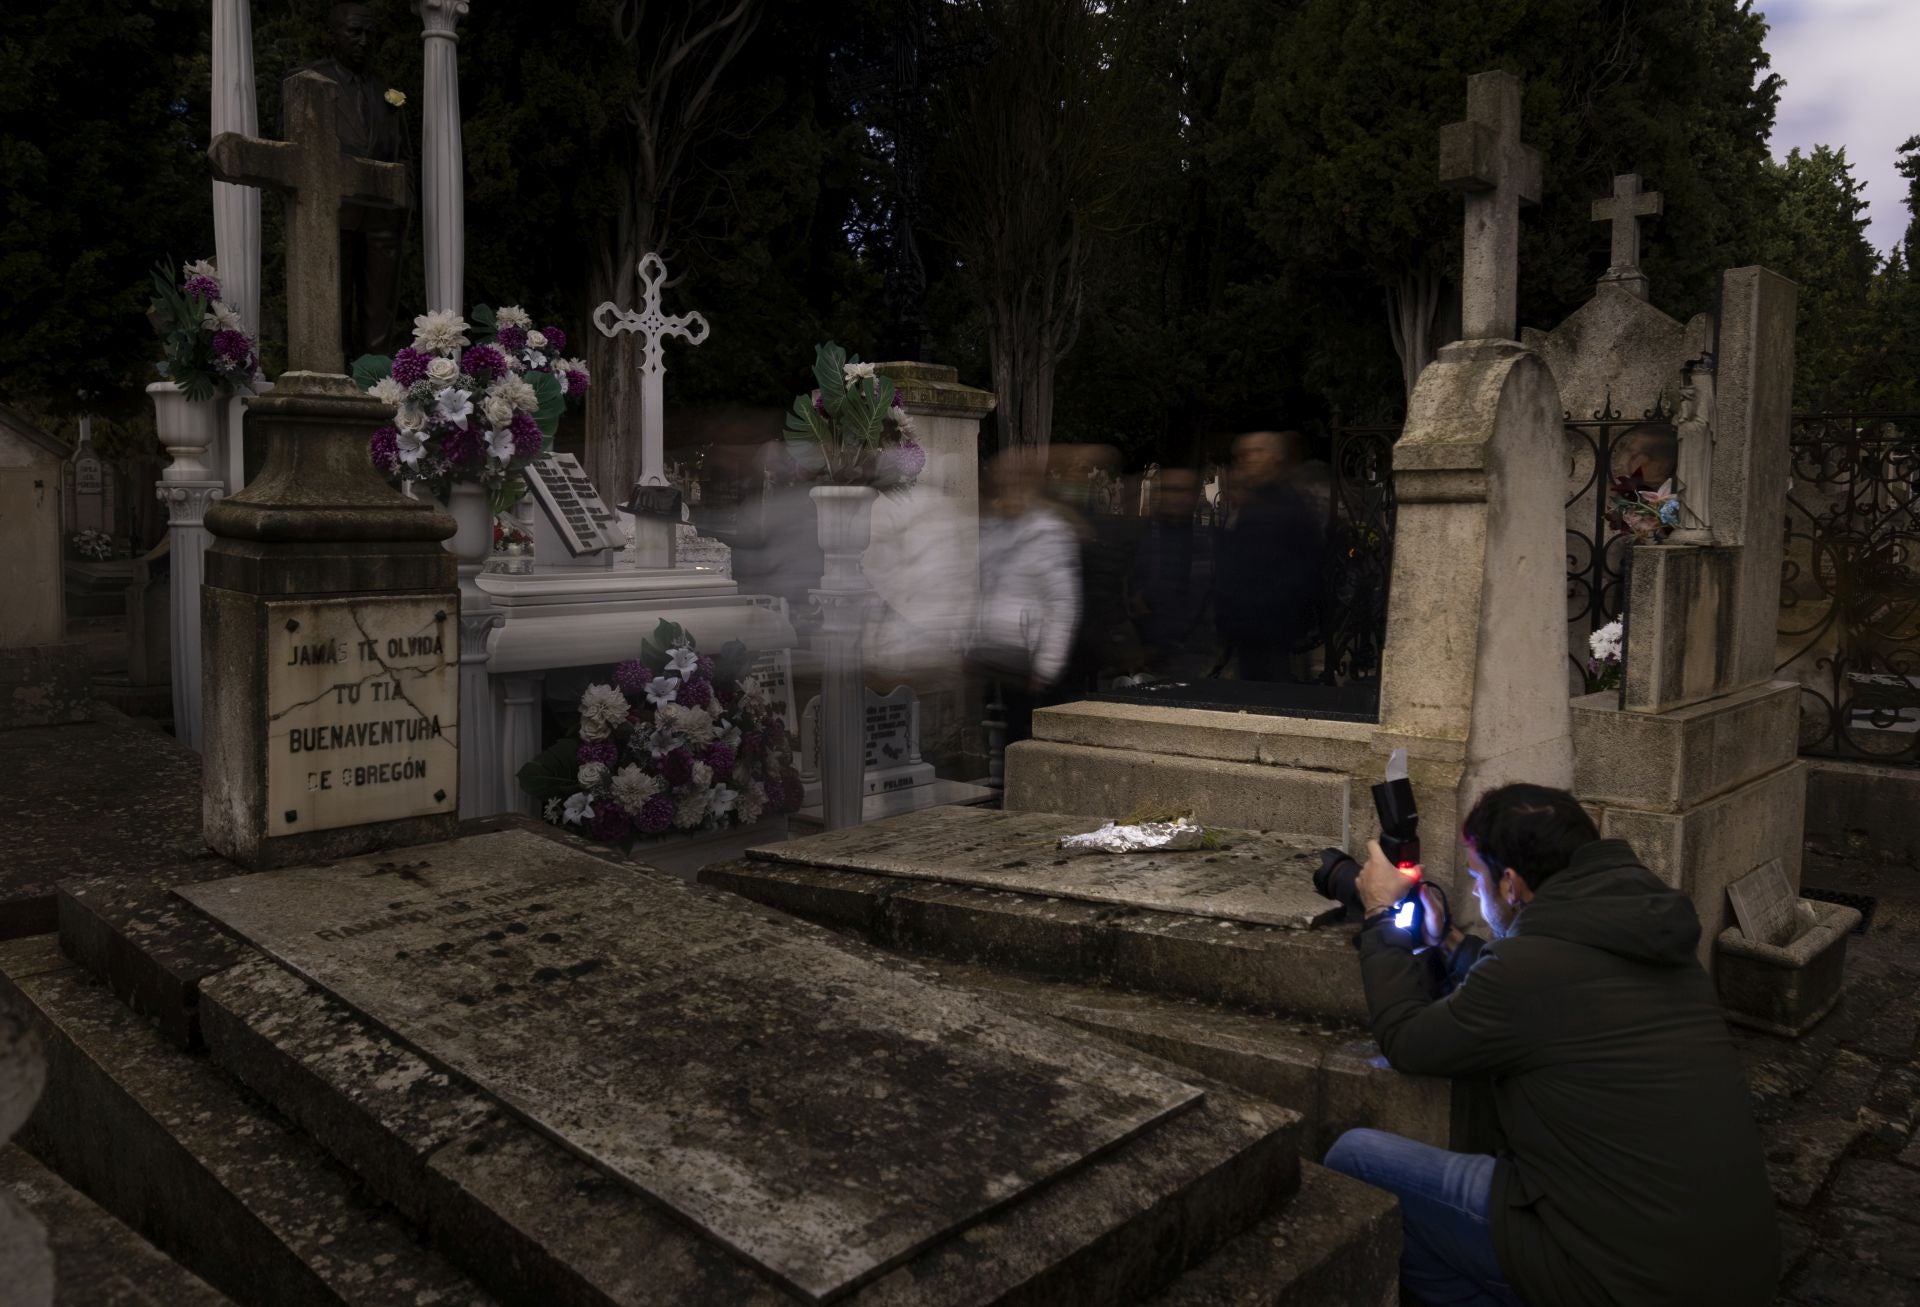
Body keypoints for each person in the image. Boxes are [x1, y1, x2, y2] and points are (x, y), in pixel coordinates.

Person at [1322, 783, 1778, 1307]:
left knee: (1357, 1160)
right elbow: (1551, 994)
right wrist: (1449, 942)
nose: (1474, 892)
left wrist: (1381, 914)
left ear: (1511, 884)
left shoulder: (1527, 972)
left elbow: (1407, 1039)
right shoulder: (1650, 933)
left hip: (1625, 1282)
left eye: (1477, 878)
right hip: (1733, 1271)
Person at [289, 2, 410, 356]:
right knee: (331, 305)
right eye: (354, 32)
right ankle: (334, 375)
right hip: (331, 214)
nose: (363, 41)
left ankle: (377, 383)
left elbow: (404, 155)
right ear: (331, 36)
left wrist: (404, 207)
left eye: (370, 34)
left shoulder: (386, 92)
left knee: (379, 309)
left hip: (382, 217)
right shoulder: (308, 82)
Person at [970, 448, 1081, 745]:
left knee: (1025, 741)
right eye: (1003, 480)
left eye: (1017, 480)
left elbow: (1062, 603)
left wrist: (1046, 665)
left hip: (1027, 662)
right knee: (1003, 740)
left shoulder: (1049, 532)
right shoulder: (993, 528)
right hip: (994, 655)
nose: (1009, 487)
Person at [1214, 430, 1321, 681]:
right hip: (1251, 628)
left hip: (1268, 628)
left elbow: (1299, 570)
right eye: (1244, 454)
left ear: (1276, 457)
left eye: (1258, 451)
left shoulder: (1283, 506)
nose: (1249, 459)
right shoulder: (1255, 502)